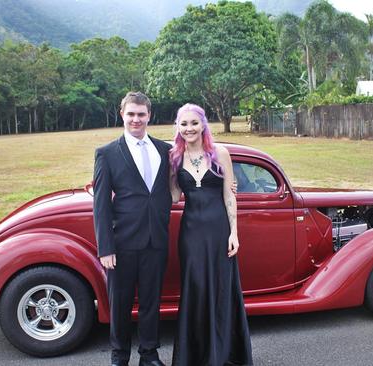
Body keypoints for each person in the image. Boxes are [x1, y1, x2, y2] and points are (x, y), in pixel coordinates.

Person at [169, 103, 253, 366]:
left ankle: (224, 354)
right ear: (178, 127)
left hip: (219, 232)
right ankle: (196, 356)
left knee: (221, 289)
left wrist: (234, 233)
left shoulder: (220, 153)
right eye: (184, 124)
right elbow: (172, 197)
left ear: (203, 124)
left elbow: (230, 195)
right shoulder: (174, 158)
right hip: (191, 234)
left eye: (194, 123)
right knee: (195, 289)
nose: (189, 128)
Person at [93, 91, 171, 366]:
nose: (136, 119)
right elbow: (100, 204)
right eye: (131, 114)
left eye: (141, 114)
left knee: (151, 303)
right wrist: (106, 247)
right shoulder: (107, 153)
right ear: (122, 115)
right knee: (121, 305)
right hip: (122, 244)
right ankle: (119, 357)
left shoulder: (165, 149)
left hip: (156, 241)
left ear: (149, 115)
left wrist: (227, 185)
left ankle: (149, 355)